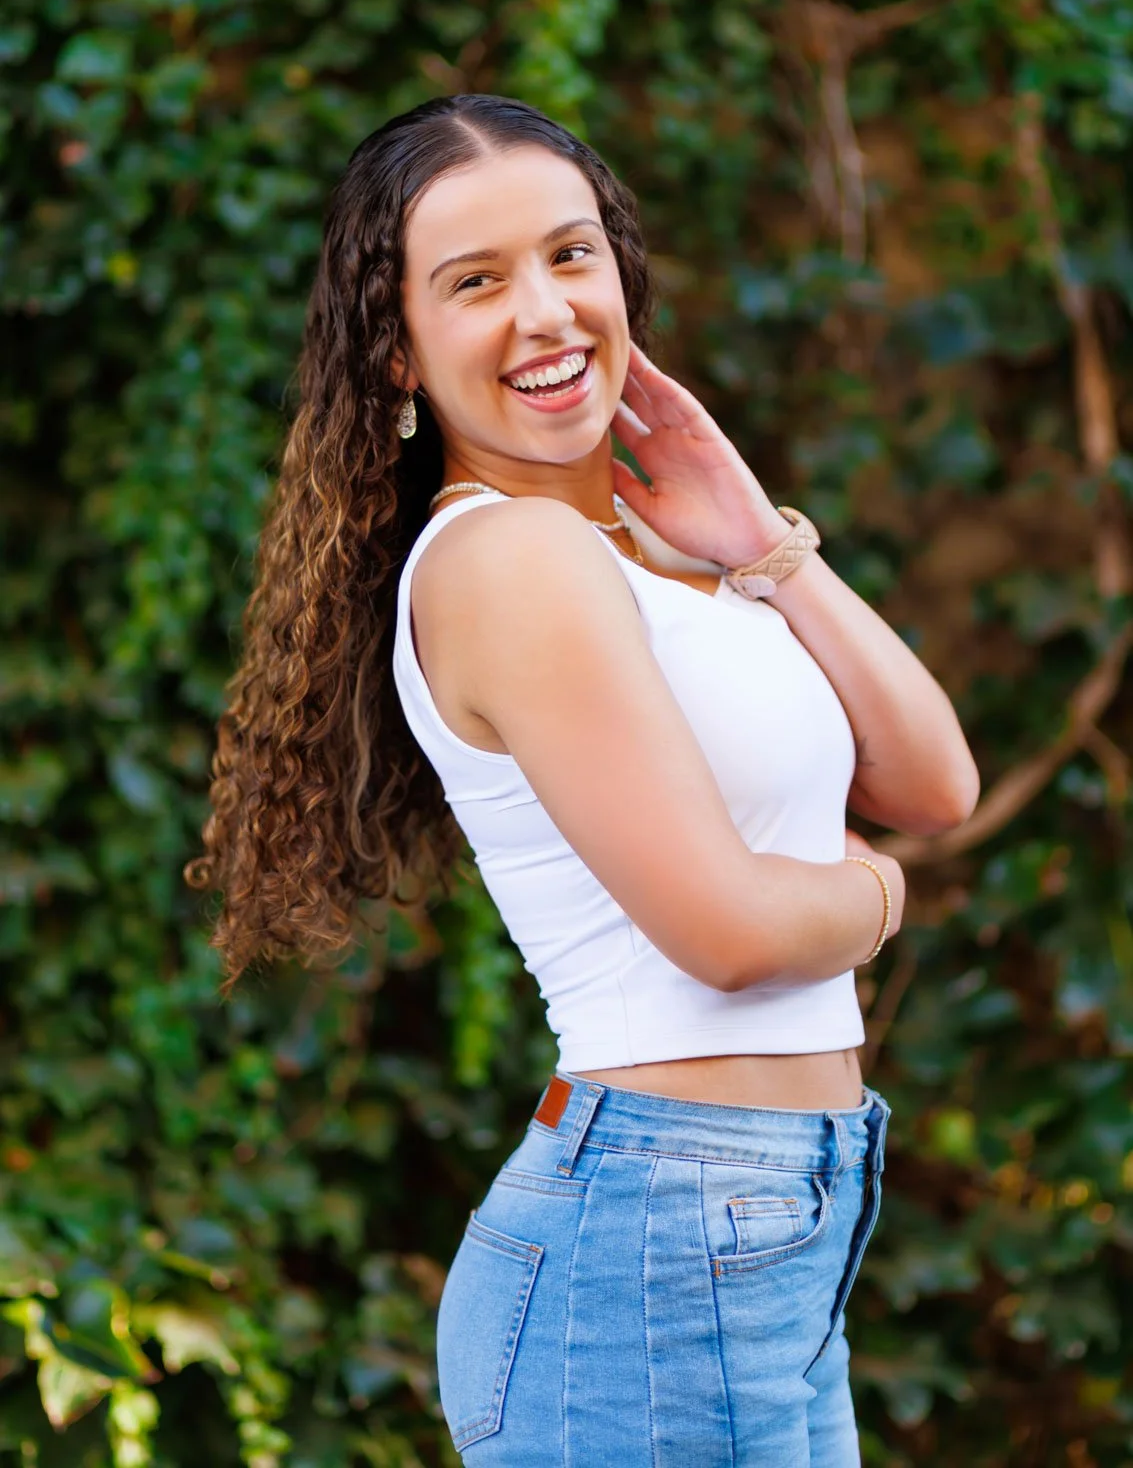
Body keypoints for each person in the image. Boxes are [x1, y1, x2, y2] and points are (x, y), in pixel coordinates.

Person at [186, 93, 980, 1465]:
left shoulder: (651, 556)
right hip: (657, 1245)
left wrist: (761, 540)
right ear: (396, 349)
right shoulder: (509, 559)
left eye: (570, 255)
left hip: (759, 1225)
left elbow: (935, 781)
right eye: (476, 282)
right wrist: (880, 894)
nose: (545, 313)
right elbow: (731, 932)